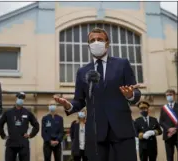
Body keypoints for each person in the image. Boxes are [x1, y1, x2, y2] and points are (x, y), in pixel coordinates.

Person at [54, 27, 141, 161]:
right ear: (88, 45)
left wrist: (130, 95)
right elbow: (79, 100)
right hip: (95, 133)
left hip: (122, 130)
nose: (96, 42)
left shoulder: (122, 64)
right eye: (92, 40)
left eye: (99, 39)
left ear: (107, 43)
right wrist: (68, 105)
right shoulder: (82, 71)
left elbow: (135, 91)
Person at [0, 92, 39, 161]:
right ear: (16, 98)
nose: (21, 99)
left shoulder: (27, 113)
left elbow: (36, 125)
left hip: (23, 144)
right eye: (19, 98)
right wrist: (3, 135)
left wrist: (30, 135)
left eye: (22, 98)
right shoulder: (8, 112)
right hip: (11, 143)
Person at [159, 89, 178, 161]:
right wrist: (168, 129)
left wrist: (175, 129)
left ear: (174, 95)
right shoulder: (164, 108)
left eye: (170, 95)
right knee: (169, 156)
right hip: (168, 135)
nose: (169, 96)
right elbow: (161, 121)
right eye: (167, 95)